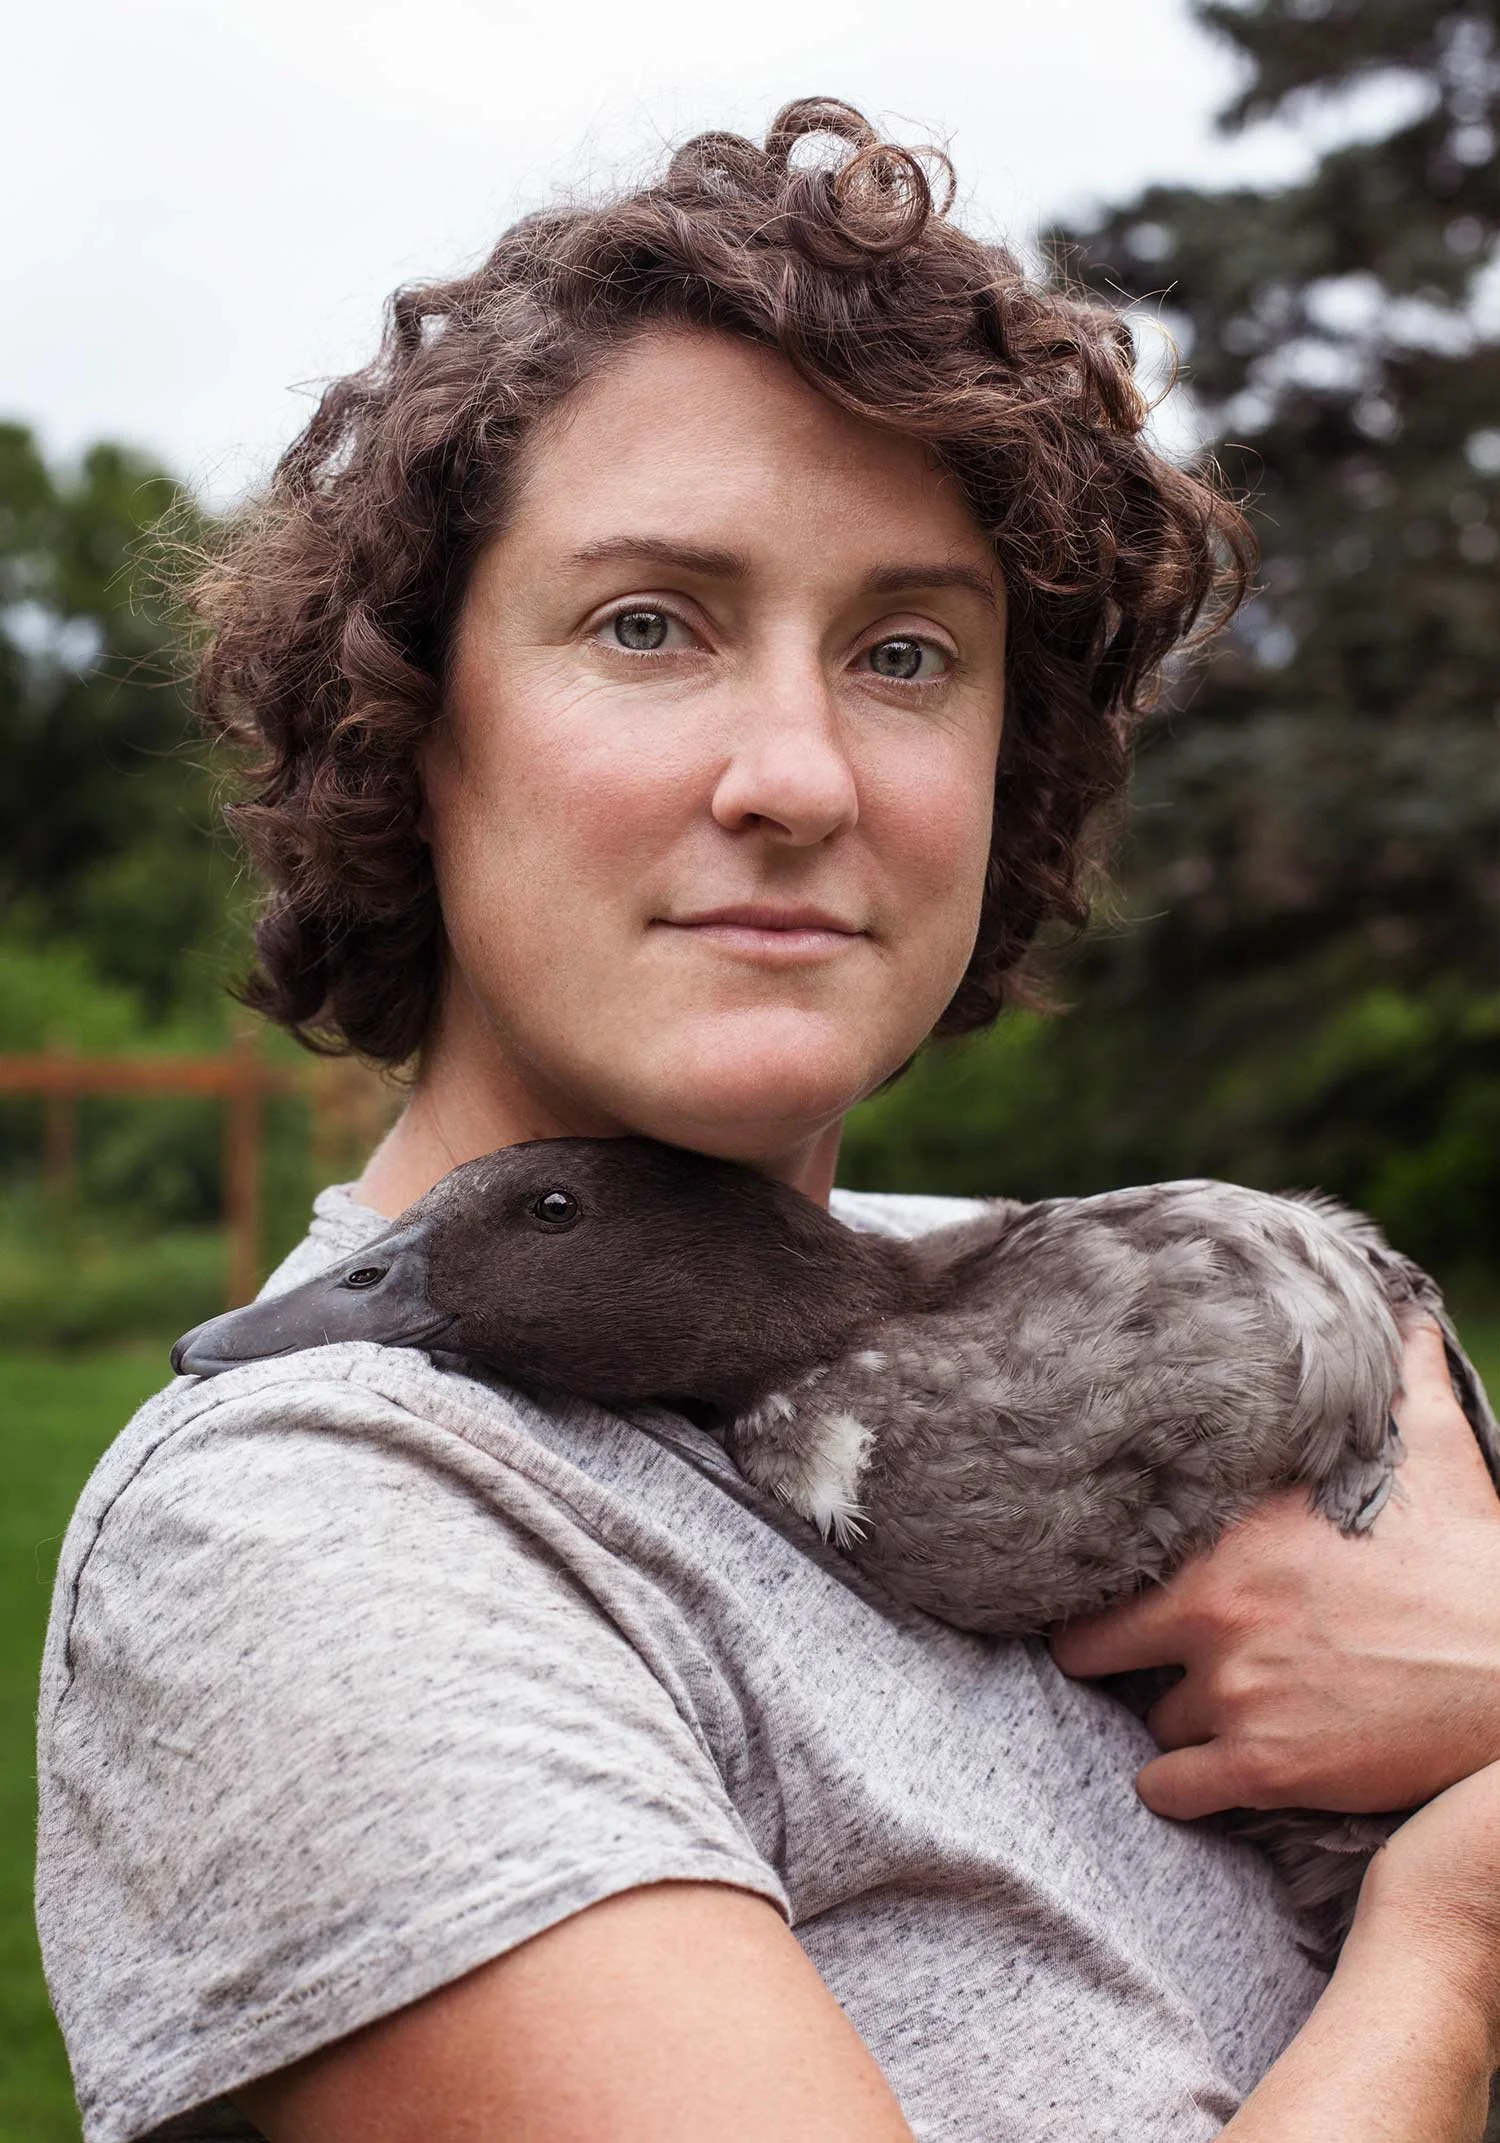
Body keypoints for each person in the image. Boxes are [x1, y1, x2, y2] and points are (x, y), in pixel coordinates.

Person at [35, 98, 1500, 2143]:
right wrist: (1459, 1939)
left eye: (907, 654)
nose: (796, 775)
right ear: (415, 719)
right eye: (653, 623)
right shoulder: (322, 1533)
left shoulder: (1105, 1298)